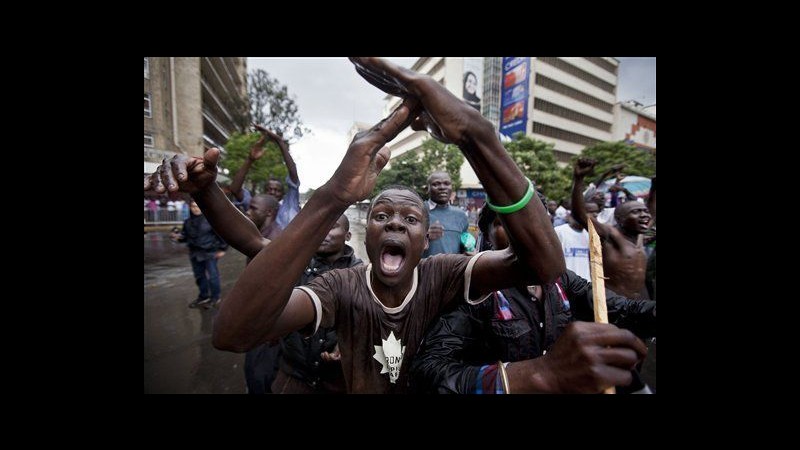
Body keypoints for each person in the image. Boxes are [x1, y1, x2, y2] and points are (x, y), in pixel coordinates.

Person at [147, 57, 643, 394]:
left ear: (427, 239)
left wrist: (478, 134)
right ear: (365, 232)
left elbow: (545, 262)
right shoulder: (338, 285)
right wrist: (333, 195)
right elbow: (234, 333)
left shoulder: (442, 274)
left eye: (410, 219)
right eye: (381, 215)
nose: (395, 225)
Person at [410, 205, 656, 394]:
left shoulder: (562, 281)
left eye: (537, 224)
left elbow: (625, 310)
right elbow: (429, 373)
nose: (525, 233)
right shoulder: (475, 291)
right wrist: (533, 375)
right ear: (486, 235)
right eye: (505, 223)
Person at [571, 158, 652, 299]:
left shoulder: (639, 236)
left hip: (639, 307)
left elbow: (653, 210)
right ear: (620, 219)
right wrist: (579, 179)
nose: (644, 215)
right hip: (614, 308)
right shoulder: (609, 234)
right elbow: (579, 214)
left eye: (644, 211)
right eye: (636, 212)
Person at [170, 201, 227, 308]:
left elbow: (221, 235)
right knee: (199, 276)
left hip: (209, 252)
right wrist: (177, 238)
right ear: (190, 208)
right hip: (194, 253)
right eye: (193, 207)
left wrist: (222, 249)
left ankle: (215, 297)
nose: (196, 209)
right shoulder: (187, 222)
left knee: (213, 276)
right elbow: (185, 237)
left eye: (198, 206)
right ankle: (203, 296)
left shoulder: (210, 220)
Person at [254, 124, 301, 230]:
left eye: (277, 190)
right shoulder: (256, 210)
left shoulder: (289, 205)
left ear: (283, 194)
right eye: (269, 189)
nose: (273, 192)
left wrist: (279, 141)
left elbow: (293, 172)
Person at [423, 171, 472, 257]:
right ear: (427, 189)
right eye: (436, 184)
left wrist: (469, 250)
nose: (442, 187)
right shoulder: (418, 211)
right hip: (423, 269)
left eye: (447, 183)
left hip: (453, 269)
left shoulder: (460, 215)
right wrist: (424, 237)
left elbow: (464, 245)